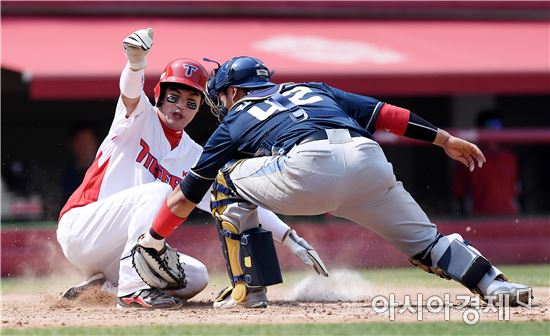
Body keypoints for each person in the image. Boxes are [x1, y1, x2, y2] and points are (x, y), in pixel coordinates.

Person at [136, 56, 532, 309]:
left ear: (233, 91)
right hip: (368, 160)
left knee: (224, 180)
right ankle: (491, 283)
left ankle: (249, 291)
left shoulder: (238, 116)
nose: (221, 104)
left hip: (306, 171)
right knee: (427, 245)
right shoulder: (312, 89)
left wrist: (153, 237)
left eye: (221, 96)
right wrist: (444, 139)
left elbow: (188, 194)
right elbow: (385, 114)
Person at [57, 31, 326, 310]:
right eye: (174, 97)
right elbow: (130, 92)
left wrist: (287, 236)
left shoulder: (194, 155)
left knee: (196, 277)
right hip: (82, 228)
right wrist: (135, 64)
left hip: (118, 251)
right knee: (161, 193)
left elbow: (234, 199)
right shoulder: (139, 117)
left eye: (191, 102)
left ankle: (106, 287)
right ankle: (131, 290)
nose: (180, 107)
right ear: (159, 95)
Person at [452, 109, 520, 216]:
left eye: (497, 126)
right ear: (480, 129)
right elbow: (459, 194)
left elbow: (516, 192)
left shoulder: (509, 158)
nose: (494, 131)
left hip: (509, 218)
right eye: (489, 127)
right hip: (479, 219)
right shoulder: (468, 158)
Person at [62, 122, 99, 201]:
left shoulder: (104, 168)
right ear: (73, 144)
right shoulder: (67, 174)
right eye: (81, 141)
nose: (85, 146)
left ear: (95, 143)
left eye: (88, 141)